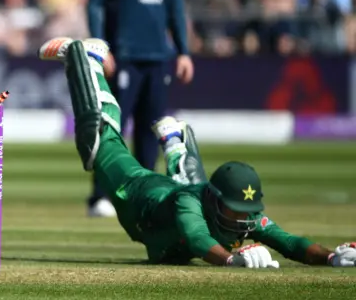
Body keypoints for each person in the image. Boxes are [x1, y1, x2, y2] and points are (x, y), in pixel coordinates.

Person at [38, 37, 356, 267]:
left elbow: (290, 243)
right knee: (98, 142)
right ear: (217, 199)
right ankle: (87, 58)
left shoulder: (246, 215)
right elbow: (198, 240)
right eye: (235, 209)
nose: (244, 219)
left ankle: (177, 142)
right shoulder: (189, 203)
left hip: (165, 223)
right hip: (136, 194)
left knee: (188, 183)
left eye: (247, 211)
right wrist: (232, 260)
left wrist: (331, 257)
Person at [85, 0, 194, 217]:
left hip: (158, 55)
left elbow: (175, 7)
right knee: (113, 128)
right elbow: (95, 2)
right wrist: (101, 46)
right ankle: (101, 196)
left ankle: (146, 195)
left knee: (152, 128)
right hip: (123, 55)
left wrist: (183, 51)